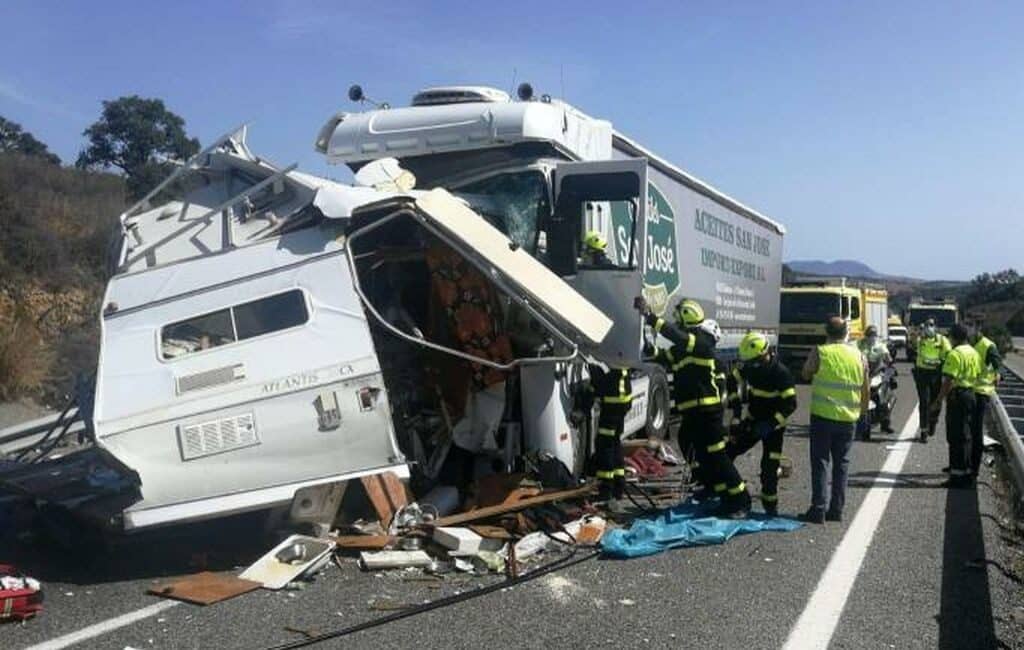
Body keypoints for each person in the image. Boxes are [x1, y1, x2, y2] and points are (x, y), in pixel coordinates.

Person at [637, 296, 751, 518]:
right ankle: (713, 489)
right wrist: (644, 345)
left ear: (685, 319)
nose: (676, 322)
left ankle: (740, 500)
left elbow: (676, 336)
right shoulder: (683, 347)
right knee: (689, 445)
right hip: (692, 412)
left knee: (717, 456)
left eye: (678, 319)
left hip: (707, 412)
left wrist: (650, 317)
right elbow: (663, 356)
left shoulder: (700, 342)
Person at [801, 316, 869, 523]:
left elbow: (805, 374)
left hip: (823, 416)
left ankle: (818, 509)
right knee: (842, 464)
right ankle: (837, 510)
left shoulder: (821, 351)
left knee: (820, 462)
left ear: (827, 332)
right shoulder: (859, 355)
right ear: (845, 332)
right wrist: (863, 414)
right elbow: (865, 389)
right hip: (848, 419)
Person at [725, 331, 798, 516]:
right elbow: (731, 379)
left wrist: (771, 425)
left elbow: (791, 405)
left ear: (765, 354)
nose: (750, 366)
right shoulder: (751, 366)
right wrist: (736, 412)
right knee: (727, 453)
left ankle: (770, 507)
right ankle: (735, 497)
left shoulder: (781, 373)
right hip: (752, 421)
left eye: (754, 361)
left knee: (769, 469)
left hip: (773, 428)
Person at [930, 323, 981, 488]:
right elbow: (979, 373)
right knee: (966, 435)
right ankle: (966, 471)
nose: (949, 340)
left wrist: (938, 401)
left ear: (955, 337)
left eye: (950, 337)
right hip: (971, 394)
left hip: (958, 397)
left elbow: (948, 381)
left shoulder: (955, 354)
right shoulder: (974, 352)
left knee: (956, 437)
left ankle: (957, 477)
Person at [587, 363, 631, 506]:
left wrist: (594, 380)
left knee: (605, 447)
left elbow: (602, 387)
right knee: (615, 445)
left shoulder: (614, 371)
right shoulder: (623, 362)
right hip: (619, 410)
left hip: (611, 412)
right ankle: (619, 487)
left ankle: (606, 490)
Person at [912, 318, 951, 443]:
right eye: (927, 325)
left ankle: (933, 422)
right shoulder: (920, 339)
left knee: (935, 401)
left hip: (936, 374)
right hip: (922, 374)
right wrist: (916, 334)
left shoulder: (942, 340)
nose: (929, 327)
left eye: (931, 325)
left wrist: (944, 366)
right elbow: (913, 344)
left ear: (935, 327)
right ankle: (924, 430)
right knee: (924, 401)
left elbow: (949, 353)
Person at [970, 326, 1002, 477]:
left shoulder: (988, 346)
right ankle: (962, 465)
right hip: (969, 391)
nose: (971, 330)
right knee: (967, 431)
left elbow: (998, 366)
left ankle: (974, 469)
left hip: (981, 393)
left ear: (979, 330)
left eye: (973, 327)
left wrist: (998, 375)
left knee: (976, 432)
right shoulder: (970, 344)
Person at [857, 324, 895, 437]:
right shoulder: (860, 344)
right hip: (862, 375)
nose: (871, 337)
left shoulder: (880, 346)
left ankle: (885, 424)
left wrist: (890, 364)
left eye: (873, 335)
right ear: (866, 335)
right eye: (869, 335)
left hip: (877, 375)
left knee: (883, 398)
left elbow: (888, 358)